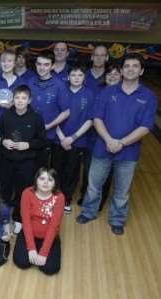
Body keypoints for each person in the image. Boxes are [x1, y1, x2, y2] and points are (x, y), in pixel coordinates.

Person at [76, 53, 158, 235]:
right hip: (102, 148)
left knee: (122, 190)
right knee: (93, 185)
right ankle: (89, 212)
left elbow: (145, 127)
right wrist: (109, 140)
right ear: (121, 70)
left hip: (128, 153)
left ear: (142, 70)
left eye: (135, 66)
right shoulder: (108, 92)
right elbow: (97, 118)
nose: (130, 69)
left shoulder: (149, 96)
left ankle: (117, 219)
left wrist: (121, 143)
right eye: (127, 66)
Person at [0, 85, 46, 233]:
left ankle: (18, 218)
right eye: (17, 97)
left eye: (23, 98)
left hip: (26, 162)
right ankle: (3, 218)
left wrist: (28, 144)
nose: (20, 101)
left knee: (23, 192)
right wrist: (3, 141)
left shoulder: (36, 117)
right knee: (4, 190)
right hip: (6, 160)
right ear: (13, 99)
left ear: (29, 100)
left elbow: (42, 141)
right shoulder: (5, 115)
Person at [52, 63, 94, 214]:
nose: (76, 78)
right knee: (56, 170)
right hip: (58, 139)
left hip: (78, 141)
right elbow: (54, 117)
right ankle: (54, 198)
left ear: (84, 77)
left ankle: (67, 199)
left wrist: (73, 138)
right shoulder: (60, 91)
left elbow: (90, 120)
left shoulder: (89, 94)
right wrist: (63, 137)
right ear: (68, 77)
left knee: (72, 171)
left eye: (80, 75)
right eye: (73, 75)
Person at [79, 63, 121, 209]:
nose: (112, 76)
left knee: (107, 172)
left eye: (116, 73)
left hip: (112, 141)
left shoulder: (123, 93)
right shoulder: (99, 92)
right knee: (88, 169)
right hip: (93, 138)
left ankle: (101, 200)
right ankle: (85, 195)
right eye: (110, 73)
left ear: (121, 76)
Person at [13, 168, 65, 275]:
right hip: (29, 234)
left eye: (50, 180)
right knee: (22, 262)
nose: (45, 182)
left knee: (50, 269)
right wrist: (31, 248)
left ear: (55, 183)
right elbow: (26, 222)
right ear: (36, 180)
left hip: (48, 236)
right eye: (42, 178)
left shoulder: (59, 197)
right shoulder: (27, 193)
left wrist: (43, 253)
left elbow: (53, 227)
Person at [27, 50, 70, 169]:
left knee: (41, 171)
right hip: (28, 134)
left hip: (47, 136)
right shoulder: (30, 82)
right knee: (27, 170)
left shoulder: (59, 85)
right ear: (35, 65)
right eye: (39, 64)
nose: (42, 67)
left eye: (46, 64)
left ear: (52, 66)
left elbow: (66, 112)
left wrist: (49, 126)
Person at [0, 49, 26, 122]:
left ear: (14, 63)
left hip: (15, 123)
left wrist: (14, 104)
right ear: (0, 63)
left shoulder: (22, 83)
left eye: (9, 61)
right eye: (3, 61)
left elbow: (27, 106)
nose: (6, 64)